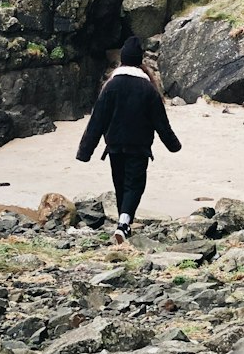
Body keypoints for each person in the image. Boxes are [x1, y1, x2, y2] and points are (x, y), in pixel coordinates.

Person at [76, 37, 182, 245]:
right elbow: (161, 123)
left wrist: (85, 151)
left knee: (120, 184)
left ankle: (122, 225)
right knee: (134, 185)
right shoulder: (148, 88)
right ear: (139, 60)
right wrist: (173, 145)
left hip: (114, 146)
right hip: (139, 146)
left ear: (122, 60)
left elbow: (97, 121)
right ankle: (124, 224)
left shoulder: (111, 86)